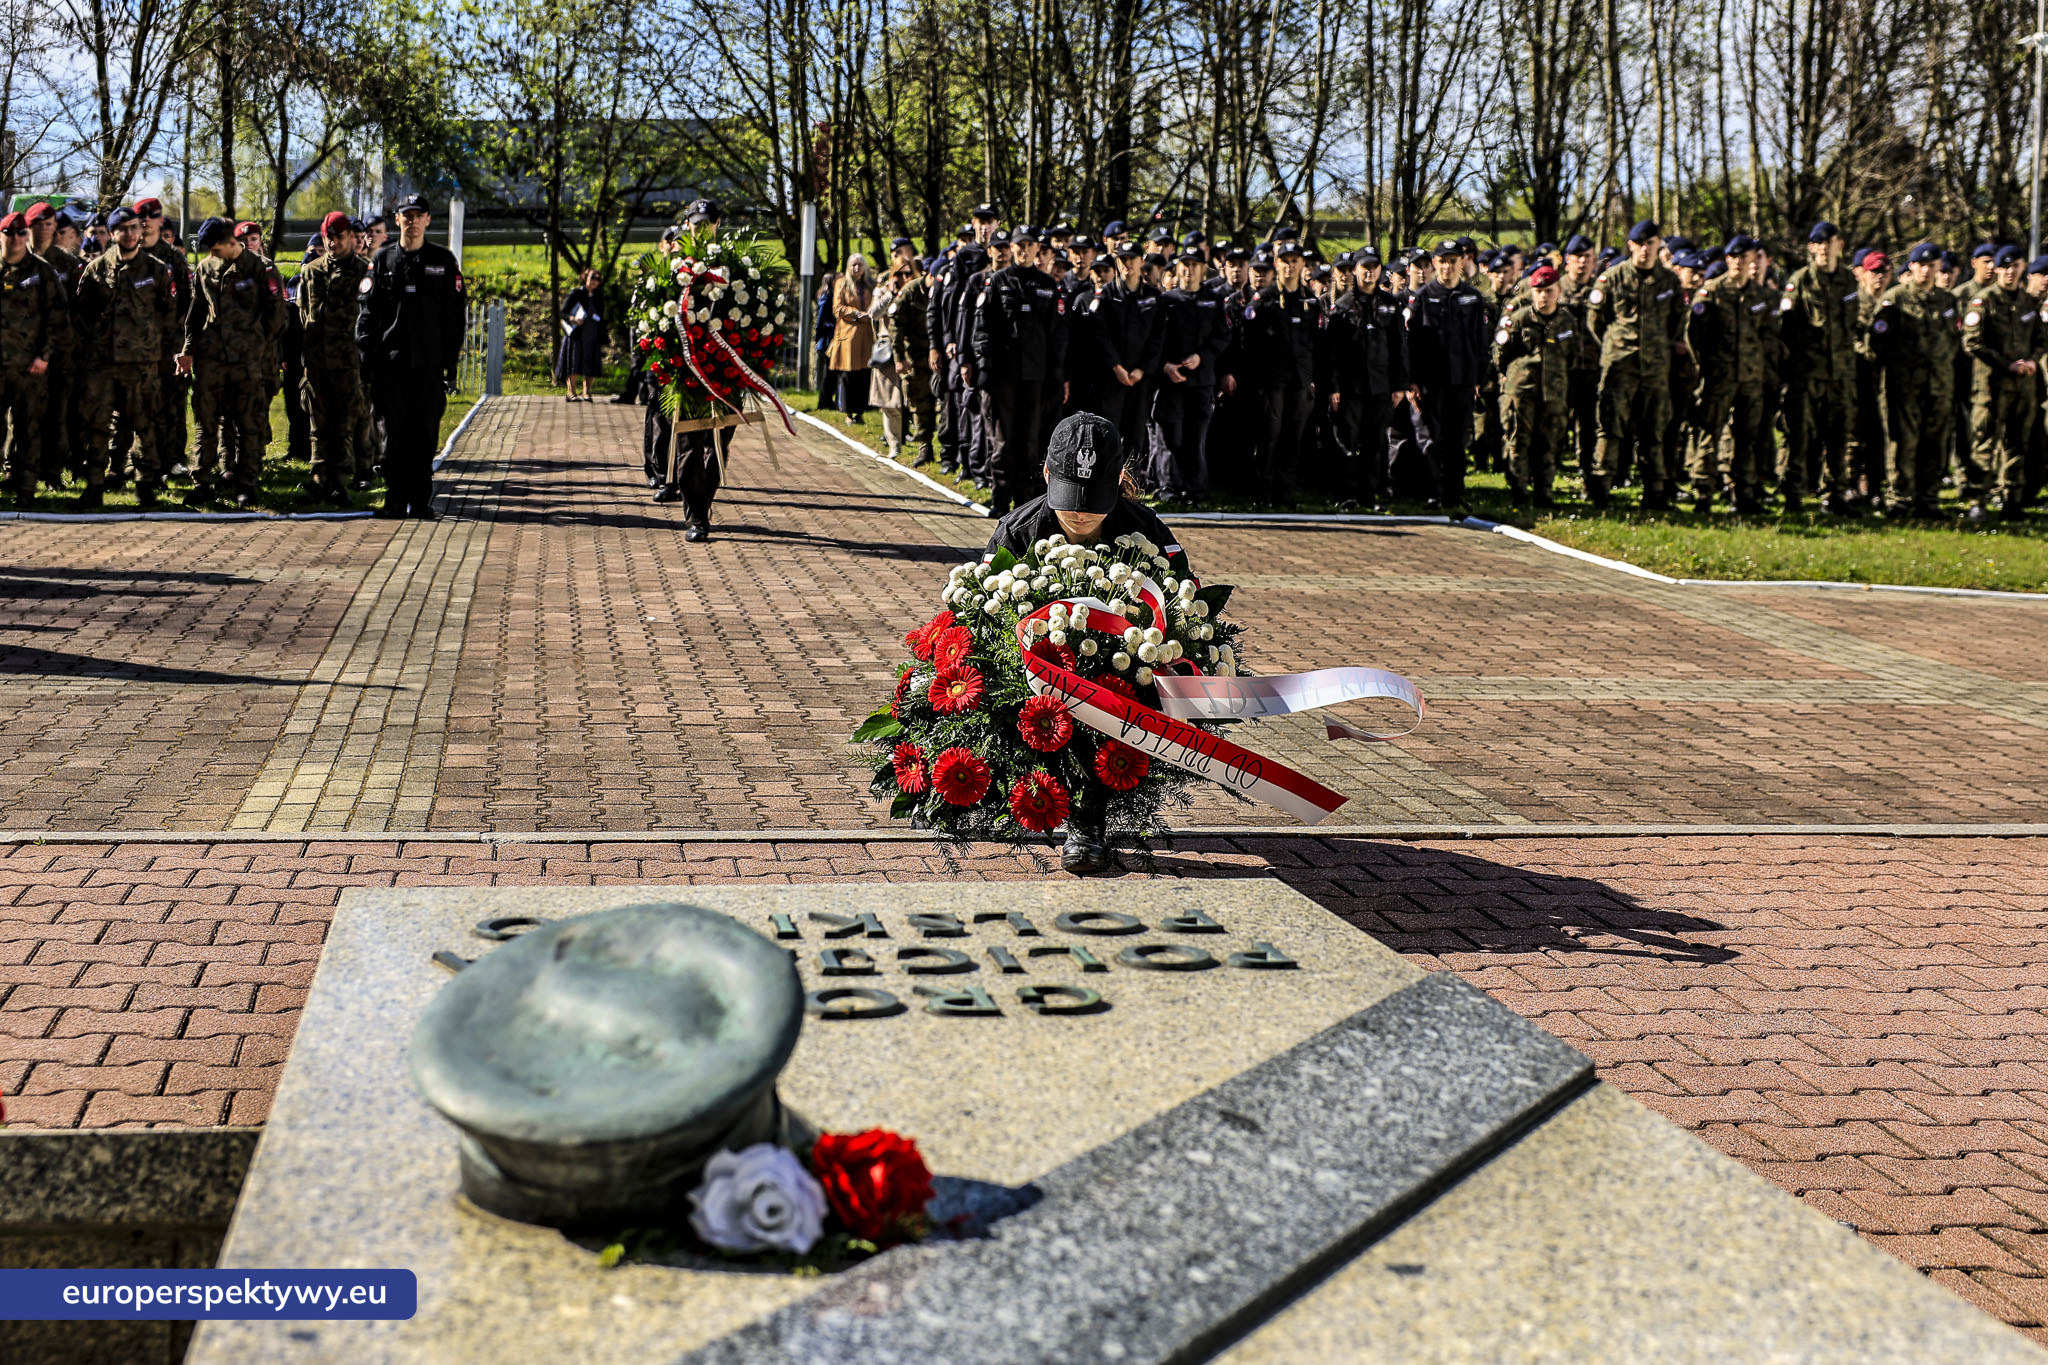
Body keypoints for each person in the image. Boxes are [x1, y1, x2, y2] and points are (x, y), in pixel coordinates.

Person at [981, 412, 1193, 872]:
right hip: (1037, 677)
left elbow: (1183, 602)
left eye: (1095, 498)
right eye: (1069, 496)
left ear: (1119, 480)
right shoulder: (1018, 532)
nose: (1079, 511)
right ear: (1046, 476)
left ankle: (1088, 818)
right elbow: (983, 618)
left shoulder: (1148, 532)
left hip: (1119, 681)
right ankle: (1012, 791)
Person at [357, 193, 464, 520]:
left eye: (419, 215)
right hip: (391, 366)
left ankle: (420, 501)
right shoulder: (384, 261)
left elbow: (454, 317)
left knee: (424, 434)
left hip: (428, 366)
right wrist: (367, 358)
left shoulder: (443, 262)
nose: (413, 221)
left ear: (428, 220)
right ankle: (394, 498)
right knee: (392, 435)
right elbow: (368, 314)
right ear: (398, 220)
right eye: (407, 215)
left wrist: (449, 364)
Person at [74, 206, 178, 508]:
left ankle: (145, 486)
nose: (130, 233)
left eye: (134, 227)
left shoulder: (156, 269)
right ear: (113, 233)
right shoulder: (96, 270)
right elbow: (83, 314)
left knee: (146, 423)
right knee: (97, 425)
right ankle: (94, 486)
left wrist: (162, 354)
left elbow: (169, 315)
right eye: (123, 228)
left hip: (142, 362)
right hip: (104, 364)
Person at [182, 216, 284, 507]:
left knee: (247, 424)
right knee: (206, 422)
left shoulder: (260, 268)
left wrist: (255, 344)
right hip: (211, 360)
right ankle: (201, 481)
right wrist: (188, 349)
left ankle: (246, 483)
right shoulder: (205, 269)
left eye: (215, 247)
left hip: (246, 361)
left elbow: (276, 315)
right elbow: (196, 311)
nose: (211, 253)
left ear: (230, 241)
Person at [1587, 219, 1686, 508]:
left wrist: (1663, 347)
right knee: (1610, 427)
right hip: (1621, 367)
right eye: (1639, 244)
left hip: (1656, 368)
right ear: (1630, 245)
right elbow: (1596, 321)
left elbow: (1679, 320)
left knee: (1654, 430)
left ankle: (1655, 492)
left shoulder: (1668, 281)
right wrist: (1616, 346)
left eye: (1650, 244)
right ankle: (1602, 488)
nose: (1645, 250)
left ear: (1658, 246)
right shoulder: (1613, 278)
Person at [971, 226, 1068, 514]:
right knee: (1002, 442)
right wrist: (984, 368)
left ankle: (1025, 504)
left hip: (1035, 377)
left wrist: (1057, 376)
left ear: (1039, 249)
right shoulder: (998, 282)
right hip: (1003, 376)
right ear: (1012, 248)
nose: (1024, 250)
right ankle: (1000, 499)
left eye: (1029, 245)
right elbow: (982, 328)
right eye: (1019, 245)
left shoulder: (1047, 286)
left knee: (1030, 443)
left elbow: (1057, 336)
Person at [1779, 222, 1861, 514]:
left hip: (1840, 374)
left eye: (1831, 241)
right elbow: (1785, 328)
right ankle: (1793, 494)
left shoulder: (1849, 281)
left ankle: (1835, 494)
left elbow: (1854, 323)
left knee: (1838, 437)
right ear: (1812, 248)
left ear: (1840, 244)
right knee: (1799, 436)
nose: (1825, 247)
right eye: (1819, 242)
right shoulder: (1800, 281)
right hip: (1807, 373)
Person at [1407, 238, 1488, 510]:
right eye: (1442, 261)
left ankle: (1454, 493)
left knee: (1457, 440)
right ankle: (1433, 492)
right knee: (1432, 438)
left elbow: (1480, 341)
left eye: (1453, 261)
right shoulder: (1422, 297)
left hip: (1462, 380)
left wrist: (1479, 377)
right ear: (1435, 264)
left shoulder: (1473, 298)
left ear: (1461, 263)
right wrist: (1412, 381)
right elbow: (1412, 343)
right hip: (1432, 382)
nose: (1448, 267)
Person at [1961, 244, 2039, 520]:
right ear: (1997, 269)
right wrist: (2006, 365)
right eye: (2004, 267)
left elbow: (2041, 337)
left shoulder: (2029, 302)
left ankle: (2013, 500)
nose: (2009, 272)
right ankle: (1977, 500)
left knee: (2018, 443)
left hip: (2023, 387)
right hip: (1991, 386)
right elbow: (1972, 342)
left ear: (2022, 269)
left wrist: (2032, 359)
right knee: (1984, 443)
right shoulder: (1985, 300)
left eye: (2015, 266)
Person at [297, 210, 369, 502]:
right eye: (328, 238)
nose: (333, 243)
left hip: (348, 360)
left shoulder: (364, 270)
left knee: (344, 421)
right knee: (318, 420)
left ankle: (339, 480)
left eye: (338, 238)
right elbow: (304, 313)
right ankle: (319, 475)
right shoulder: (311, 270)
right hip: (316, 360)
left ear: (350, 237)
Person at [1493, 263, 1576, 508]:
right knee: (1519, 440)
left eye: (1549, 291)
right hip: (1522, 392)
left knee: (1549, 443)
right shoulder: (1518, 320)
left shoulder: (1567, 321)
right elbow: (1500, 354)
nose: (1544, 296)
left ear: (1558, 292)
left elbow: (1573, 356)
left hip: (1554, 392)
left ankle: (1544, 492)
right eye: (1538, 291)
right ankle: (1519, 490)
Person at [24, 202, 82, 491]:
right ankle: (20, 472)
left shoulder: (68, 264)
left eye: (49, 225)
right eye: (39, 224)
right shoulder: (15, 260)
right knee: (24, 418)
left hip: (61, 356)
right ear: (29, 227)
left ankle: (53, 473)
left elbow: (80, 311)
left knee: (57, 417)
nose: (45, 229)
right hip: (22, 355)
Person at [0, 211, 55, 506]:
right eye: (10, 233)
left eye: (22, 234)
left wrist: (43, 356)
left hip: (29, 367)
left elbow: (56, 318)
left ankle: (26, 489)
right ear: (1, 235)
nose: (17, 239)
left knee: (28, 429)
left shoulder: (41, 272)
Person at [887, 256, 939, 466]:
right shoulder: (910, 292)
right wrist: (899, 358)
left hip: (937, 357)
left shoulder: (943, 291)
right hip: (915, 357)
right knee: (919, 402)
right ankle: (924, 446)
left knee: (941, 406)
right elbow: (896, 327)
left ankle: (945, 451)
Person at [869, 262, 909, 457]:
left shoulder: (915, 290)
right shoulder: (883, 291)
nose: (903, 278)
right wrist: (891, 294)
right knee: (888, 401)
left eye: (907, 274)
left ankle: (909, 438)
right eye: (899, 274)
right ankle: (894, 443)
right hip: (887, 350)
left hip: (910, 348)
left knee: (907, 400)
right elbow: (873, 313)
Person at [556, 268, 606, 402]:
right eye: (592, 278)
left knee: (591, 363)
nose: (595, 281)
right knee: (573, 362)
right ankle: (571, 392)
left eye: (598, 279)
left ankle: (587, 392)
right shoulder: (576, 293)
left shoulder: (599, 296)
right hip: (576, 334)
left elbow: (601, 315)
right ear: (585, 278)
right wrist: (573, 319)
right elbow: (563, 313)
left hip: (592, 334)